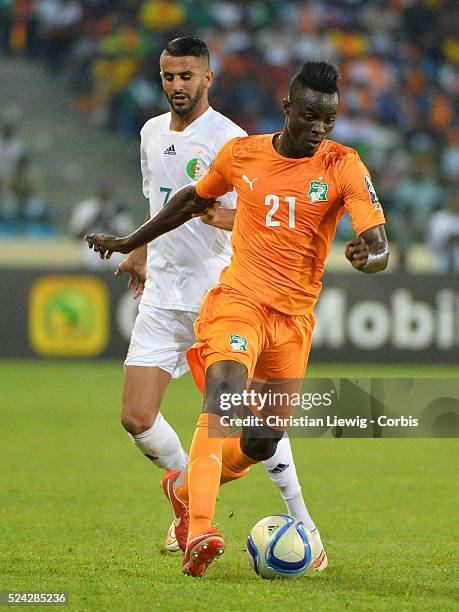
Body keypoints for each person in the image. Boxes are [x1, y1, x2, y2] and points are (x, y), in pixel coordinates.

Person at [87, 59, 389, 577]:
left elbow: (379, 242)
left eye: (329, 120)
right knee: (223, 398)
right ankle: (200, 529)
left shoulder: (343, 164)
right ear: (287, 108)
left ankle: (182, 486)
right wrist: (130, 242)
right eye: (309, 116)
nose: (318, 128)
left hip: (293, 323)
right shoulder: (242, 153)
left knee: (258, 442)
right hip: (238, 302)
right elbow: (190, 200)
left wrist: (370, 255)